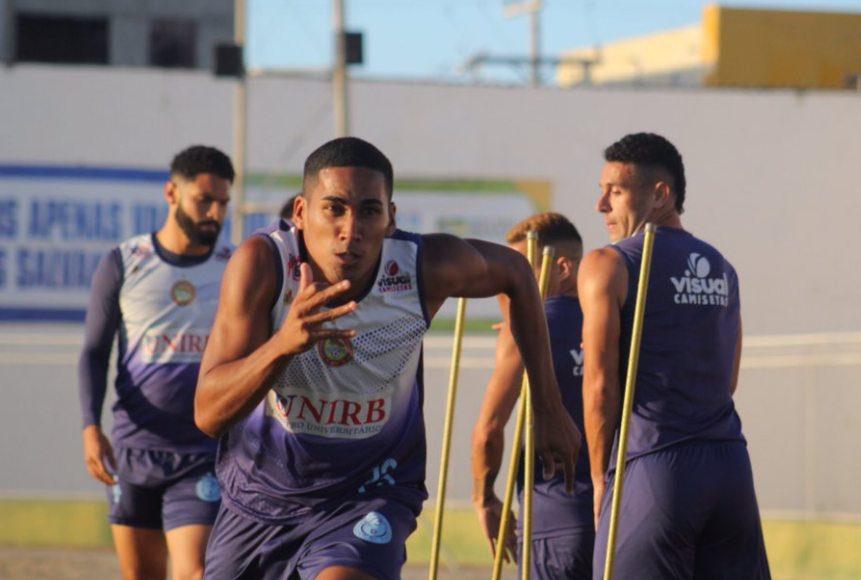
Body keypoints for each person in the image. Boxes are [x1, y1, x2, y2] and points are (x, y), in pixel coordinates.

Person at [195, 137, 581, 580]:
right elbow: (208, 413)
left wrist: (549, 407)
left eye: (369, 211)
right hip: (261, 497)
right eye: (334, 208)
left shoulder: (421, 268)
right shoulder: (262, 264)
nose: (351, 229)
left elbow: (516, 272)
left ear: (391, 218)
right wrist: (282, 345)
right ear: (301, 213)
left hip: (369, 491)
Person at [578, 132, 770, 579]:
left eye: (616, 191)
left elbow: (600, 384)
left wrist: (601, 479)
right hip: (730, 469)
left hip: (655, 467)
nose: (601, 204)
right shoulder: (722, 266)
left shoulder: (608, 263)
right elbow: (729, 380)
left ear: (660, 194)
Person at [78, 145, 235, 580]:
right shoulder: (124, 263)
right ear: (172, 193)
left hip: (203, 452)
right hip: (134, 451)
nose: (214, 213)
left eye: (222, 203)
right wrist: (90, 427)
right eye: (204, 199)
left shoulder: (235, 267)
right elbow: (94, 351)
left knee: (196, 571)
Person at [471, 213, 594, 579]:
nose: (513, 282)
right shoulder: (615, 321)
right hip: (622, 515)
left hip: (554, 519)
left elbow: (490, 429)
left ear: (564, 267)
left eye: (524, 270)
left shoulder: (524, 331)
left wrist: (485, 498)